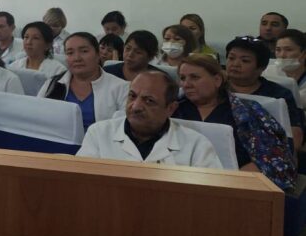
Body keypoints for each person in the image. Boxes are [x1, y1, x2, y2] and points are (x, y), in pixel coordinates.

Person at [173, 55, 296, 189]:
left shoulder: (247, 111)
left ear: (217, 80)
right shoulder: (173, 109)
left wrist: (239, 178)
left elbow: (273, 158)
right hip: (178, 179)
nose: (186, 84)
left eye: (195, 77)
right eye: (183, 78)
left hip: (237, 183)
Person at [76, 71, 222, 169]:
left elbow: (210, 197)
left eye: (149, 101)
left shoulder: (197, 145)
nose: (136, 106)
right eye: (132, 96)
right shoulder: (99, 133)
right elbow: (81, 184)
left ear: (170, 108)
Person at [225, 36, 304, 151]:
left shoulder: (279, 94)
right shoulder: (215, 89)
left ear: (261, 67)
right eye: (231, 58)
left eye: (245, 60)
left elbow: (295, 140)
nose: (235, 64)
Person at [38, 33, 128, 130]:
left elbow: (123, 128)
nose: (77, 58)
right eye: (70, 53)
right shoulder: (53, 83)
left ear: (98, 54)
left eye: (84, 51)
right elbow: (37, 116)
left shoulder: (122, 88)